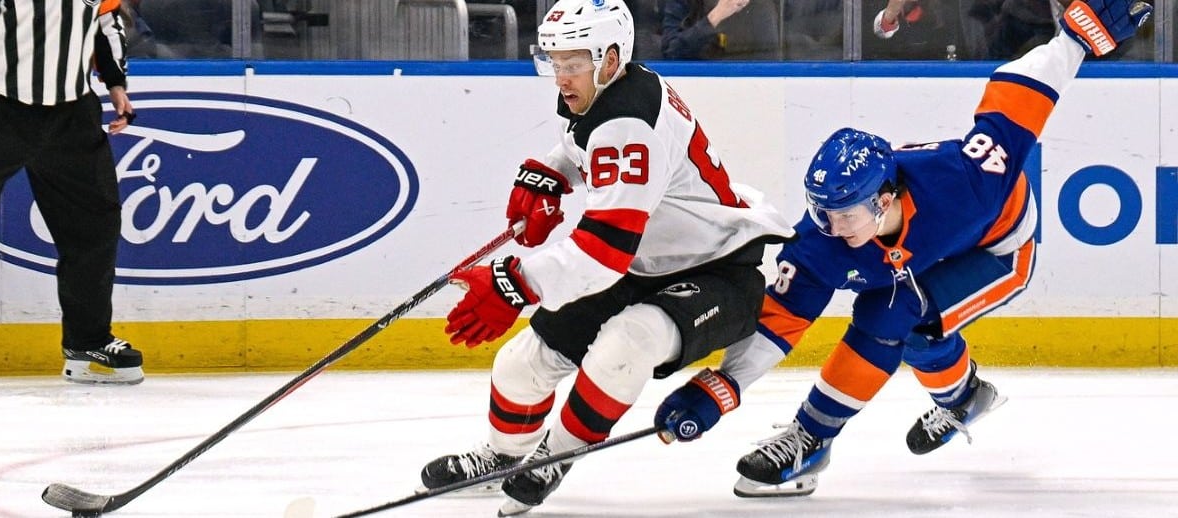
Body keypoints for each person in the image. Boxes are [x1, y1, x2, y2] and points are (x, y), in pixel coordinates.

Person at [653, 0, 1152, 497]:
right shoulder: (821, 242)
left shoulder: (965, 178)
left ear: (885, 198)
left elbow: (1018, 93)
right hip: (926, 254)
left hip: (997, 247)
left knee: (895, 314)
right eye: (822, 210)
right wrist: (721, 387)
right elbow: (778, 321)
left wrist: (1071, 41)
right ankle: (964, 398)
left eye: (845, 212)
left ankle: (812, 438)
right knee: (914, 328)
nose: (831, 225)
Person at [417, 0, 794, 515]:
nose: (561, 78)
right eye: (555, 63)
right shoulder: (611, 90)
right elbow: (582, 149)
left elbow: (601, 254)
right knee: (520, 366)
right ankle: (503, 459)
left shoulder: (628, 124)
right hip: (645, 263)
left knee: (629, 341)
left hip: (718, 270)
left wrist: (513, 282)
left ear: (611, 58)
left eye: (573, 64)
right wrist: (549, 173)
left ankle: (553, 457)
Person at [0, 0, 144, 385]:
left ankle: (87, 341)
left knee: (94, 225)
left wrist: (116, 84)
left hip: (72, 115)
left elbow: (107, 22)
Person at [660, 0, 781, 59]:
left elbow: (770, 63)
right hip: (694, 87)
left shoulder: (760, 7)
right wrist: (715, 16)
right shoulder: (685, 3)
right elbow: (671, 53)